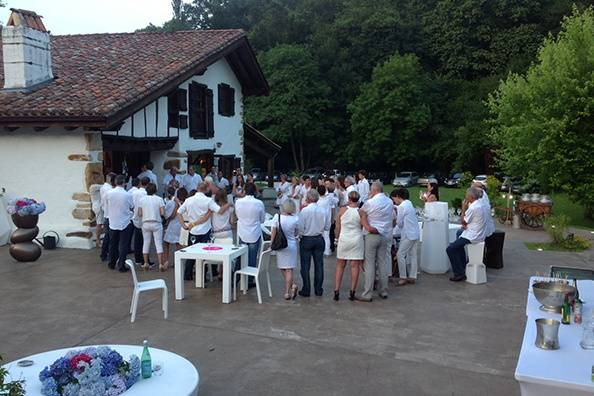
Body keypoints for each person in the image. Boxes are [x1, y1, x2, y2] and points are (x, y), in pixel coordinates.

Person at [177, 183, 227, 280]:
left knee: (191, 253)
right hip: (205, 230)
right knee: (204, 254)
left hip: (193, 230)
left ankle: (188, 275)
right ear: (207, 190)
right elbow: (219, 211)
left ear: (197, 188)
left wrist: (183, 225)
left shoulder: (189, 200)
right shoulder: (208, 201)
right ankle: (202, 277)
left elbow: (179, 212)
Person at [358, 181, 394, 301]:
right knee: (382, 263)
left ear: (374, 190)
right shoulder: (389, 201)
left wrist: (367, 225)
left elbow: (361, 212)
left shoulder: (370, 202)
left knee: (369, 264)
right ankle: (383, 290)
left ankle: (367, 293)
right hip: (384, 234)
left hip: (372, 234)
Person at [446, 187, 488, 282]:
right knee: (459, 233)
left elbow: (463, 222)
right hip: (479, 231)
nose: (465, 196)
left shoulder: (473, 207)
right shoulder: (481, 204)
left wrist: (463, 208)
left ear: (471, 197)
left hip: (474, 235)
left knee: (450, 249)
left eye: (466, 195)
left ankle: (459, 273)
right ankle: (462, 263)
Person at [298, 189, 330, 297]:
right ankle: (318, 289)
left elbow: (300, 228)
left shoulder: (304, 211)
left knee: (305, 265)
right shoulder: (323, 210)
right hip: (318, 238)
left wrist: (301, 235)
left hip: (307, 238)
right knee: (319, 265)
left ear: (308, 198)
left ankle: (306, 289)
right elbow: (327, 227)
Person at [334, 190, 364, 301]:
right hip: (356, 239)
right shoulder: (361, 212)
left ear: (349, 199)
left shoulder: (342, 210)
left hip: (344, 238)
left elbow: (337, 226)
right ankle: (352, 291)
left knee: (340, 265)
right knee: (355, 266)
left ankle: (336, 290)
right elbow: (362, 226)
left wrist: (336, 239)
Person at [271, 199, 300, 300]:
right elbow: (296, 233)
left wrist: (272, 244)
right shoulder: (295, 219)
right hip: (291, 245)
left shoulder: (277, 217)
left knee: (282, 267)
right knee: (289, 269)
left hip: (280, 245)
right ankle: (291, 287)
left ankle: (289, 290)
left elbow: (273, 232)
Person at [391, 188, 420, 286]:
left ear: (398, 196)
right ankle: (413, 276)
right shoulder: (409, 203)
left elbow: (399, 223)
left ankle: (403, 277)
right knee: (413, 255)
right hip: (415, 232)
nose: (394, 200)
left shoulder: (401, 207)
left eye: (394, 198)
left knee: (400, 255)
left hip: (408, 233)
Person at [235, 183, 265, 275]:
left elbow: (237, 215)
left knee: (240, 257)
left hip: (242, 232)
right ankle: (250, 279)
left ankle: (236, 277)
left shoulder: (238, 202)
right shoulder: (259, 203)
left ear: (244, 190)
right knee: (252, 258)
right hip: (254, 233)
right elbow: (262, 220)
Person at [106, 175, 134, 272]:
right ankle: (121, 265)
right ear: (124, 183)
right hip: (124, 222)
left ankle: (111, 263)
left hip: (113, 221)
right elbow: (132, 206)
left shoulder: (109, 193)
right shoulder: (127, 195)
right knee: (123, 244)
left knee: (112, 244)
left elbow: (106, 205)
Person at [138, 183, 166, 271]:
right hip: (156, 223)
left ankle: (146, 263)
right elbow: (162, 212)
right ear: (156, 190)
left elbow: (140, 213)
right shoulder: (159, 199)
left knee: (146, 243)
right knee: (158, 243)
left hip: (145, 223)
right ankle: (161, 264)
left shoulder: (142, 200)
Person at [163, 187, 188, 267]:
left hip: (173, 224)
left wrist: (167, 220)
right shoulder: (187, 203)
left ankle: (166, 261)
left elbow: (171, 215)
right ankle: (178, 262)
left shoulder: (173, 203)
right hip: (182, 225)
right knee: (178, 244)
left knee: (166, 243)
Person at [99, 172, 116, 261]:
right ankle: (105, 254)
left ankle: (105, 253)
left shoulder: (104, 188)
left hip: (107, 213)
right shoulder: (108, 190)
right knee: (109, 236)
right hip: (110, 215)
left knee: (108, 236)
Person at [131, 177, 148, 265]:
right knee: (144, 240)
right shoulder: (145, 194)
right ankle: (143, 260)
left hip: (135, 217)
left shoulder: (134, 193)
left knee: (137, 240)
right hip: (143, 218)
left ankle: (137, 258)